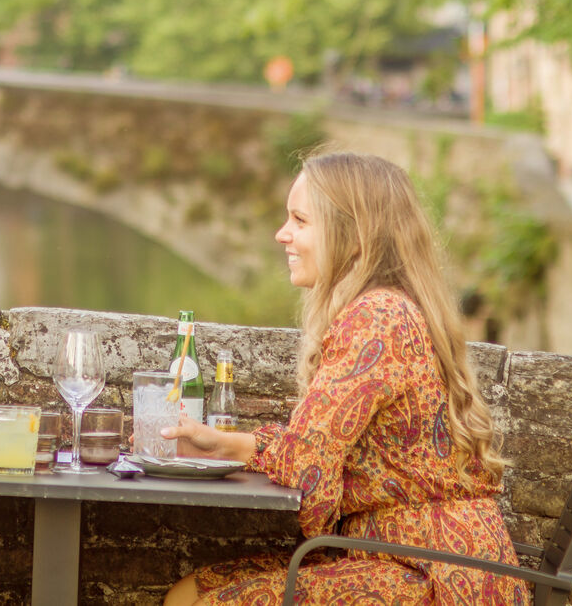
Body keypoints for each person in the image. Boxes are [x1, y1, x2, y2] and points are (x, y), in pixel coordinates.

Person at [161, 152, 524, 606]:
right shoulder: (390, 308)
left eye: (299, 220)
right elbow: (310, 451)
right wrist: (228, 444)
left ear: (353, 237)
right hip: (417, 560)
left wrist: (258, 454)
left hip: (427, 578)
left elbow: (308, 472)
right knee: (187, 593)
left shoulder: (377, 317)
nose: (282, 234)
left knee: (196, 603)